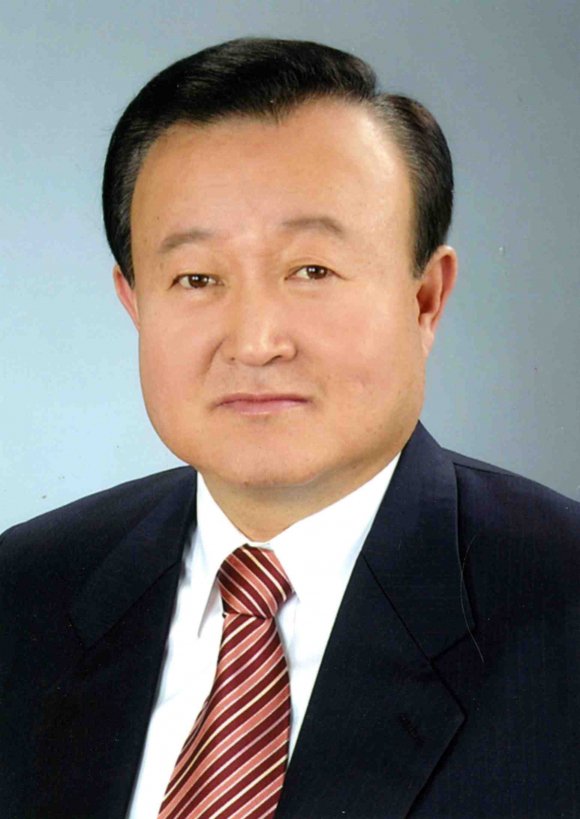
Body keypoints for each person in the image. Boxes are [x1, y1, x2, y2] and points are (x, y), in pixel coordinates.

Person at [1, 37, 578, 819]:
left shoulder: (560, 606)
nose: (255, 342)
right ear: (134, 303)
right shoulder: (24, 592)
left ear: (426, 299)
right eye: (196, 278)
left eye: (312, 270)